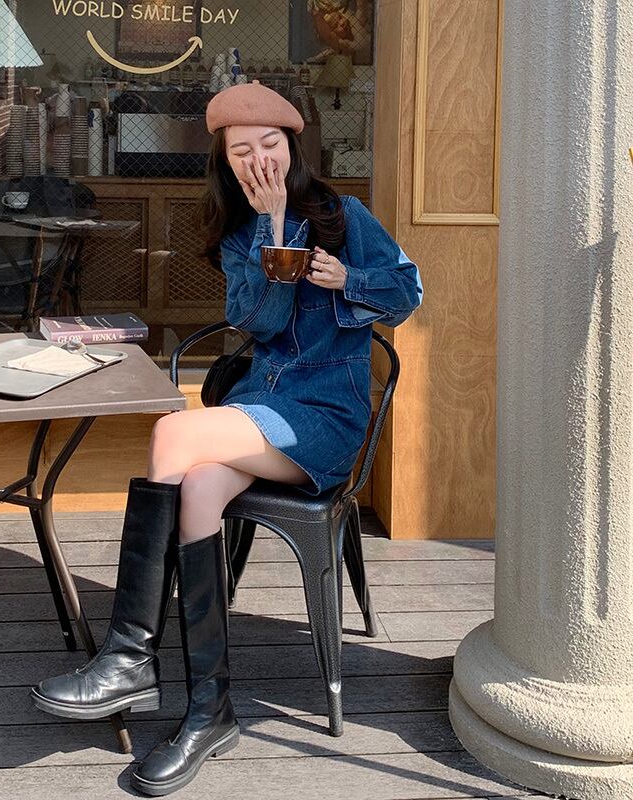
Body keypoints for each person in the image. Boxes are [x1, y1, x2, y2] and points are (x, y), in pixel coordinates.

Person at [31, 80, 423, 796]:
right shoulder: (241, 233)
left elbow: (408, 294)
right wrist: (272, 229)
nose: (258, 159)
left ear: (293, 148)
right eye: (241, 151)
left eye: (270, 145)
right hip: (261, 405)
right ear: (225, 162)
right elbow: (260, 322)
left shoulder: (344, 216)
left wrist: (350, 277)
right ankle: (208, 711)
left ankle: (130, 656)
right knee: (200, 486)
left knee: (173, 434)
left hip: (324, 419)